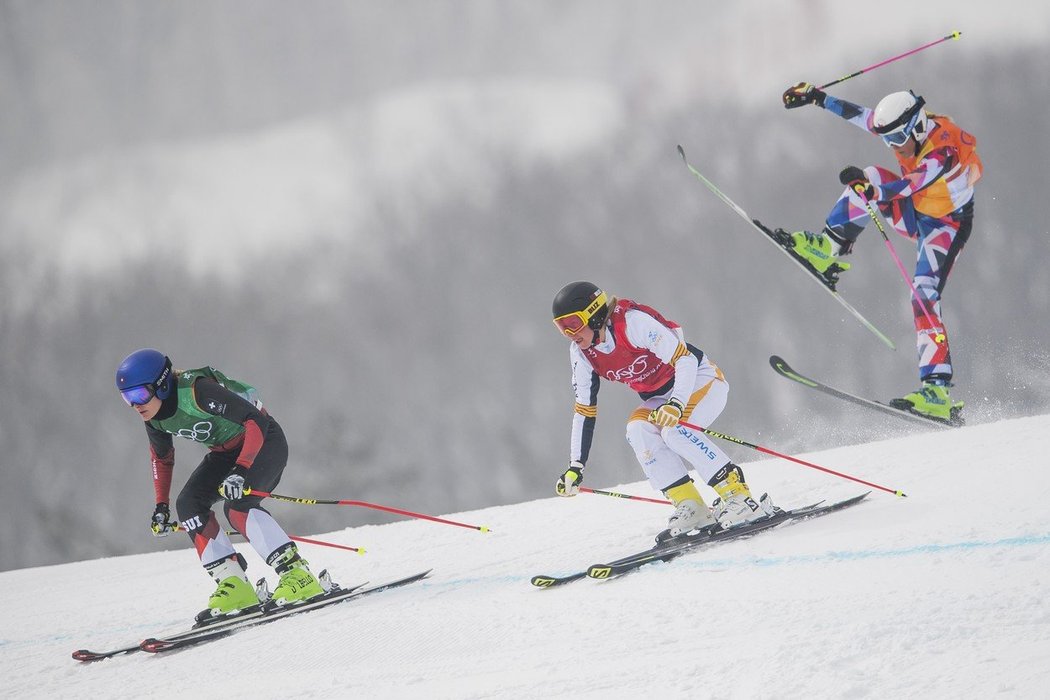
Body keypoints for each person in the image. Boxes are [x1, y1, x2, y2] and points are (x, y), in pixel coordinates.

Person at [780, 83, 982, 423]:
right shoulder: (905, 127)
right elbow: (861, 116)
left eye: (899, 140)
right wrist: (818, 98)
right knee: (867, 176)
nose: (896, 148)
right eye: (889, 142)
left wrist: (874, 191)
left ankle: (936, 391)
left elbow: (914, 181)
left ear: (917, 127)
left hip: (946, 227)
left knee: (923, 293)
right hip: (916, 211)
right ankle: (826, 251)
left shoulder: (942, 149)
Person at [550, 281, 775, 538]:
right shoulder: (581, 354)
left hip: (700, 380)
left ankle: (739, 498)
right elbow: (584, 410)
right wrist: (576, 466)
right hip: (661, 399)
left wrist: (677, 404)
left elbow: (685, 359)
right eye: (561, 328)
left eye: (572, 324)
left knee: (674, 432)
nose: (569, 334)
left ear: (594, 314)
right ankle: (692, 507)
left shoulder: (632, 323)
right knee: (637, 430)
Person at [116, 348, 324, 620]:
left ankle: (298, 575)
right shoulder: (153, 417)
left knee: (238, 506)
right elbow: (162, 458)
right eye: (126, 398)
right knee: (189, 504)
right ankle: (234, 584)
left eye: (139, 394)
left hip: (263, 442)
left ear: (163, 384)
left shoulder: (197, 392)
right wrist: (161, 506)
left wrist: (242, 469)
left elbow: (255, 421)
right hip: (225, 453)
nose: (135, 405)